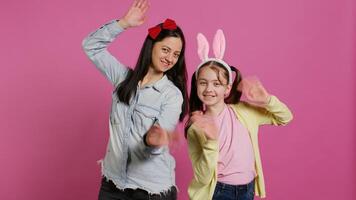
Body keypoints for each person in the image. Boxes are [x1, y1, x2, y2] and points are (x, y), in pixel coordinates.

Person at [82, 0, 188, 199]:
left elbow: (157, 141)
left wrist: (155, 140)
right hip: (113, 183)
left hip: (150, 191)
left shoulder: (172, 95)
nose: (170, 58)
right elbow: (90, 46)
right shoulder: (123, 78)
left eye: (176, 54)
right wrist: (123, 24)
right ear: (151, 46)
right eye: (165, 49)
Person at [186, 29, 293, 200]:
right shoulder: (197, 126)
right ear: (196, 85)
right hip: (219, 192)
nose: (209, 89)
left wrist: (267, 100)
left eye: (217, 83)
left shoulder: (244, 111)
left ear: (227, 89)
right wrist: (211, 142)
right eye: (203, 83)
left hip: (247, 189)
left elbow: (285, 117)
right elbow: (203, 177)